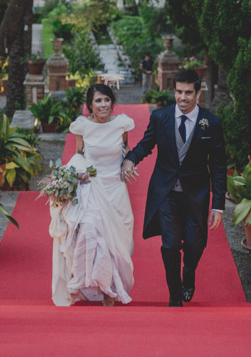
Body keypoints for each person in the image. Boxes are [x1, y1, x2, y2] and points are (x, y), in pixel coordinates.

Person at [121, 69, 226, 306]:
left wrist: (218, 204)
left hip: (196, 196)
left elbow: (219, 166)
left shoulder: (212, 124)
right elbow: (146, 145)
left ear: (198, 93)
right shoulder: (161, 118)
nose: (183, 97)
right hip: (166, 194)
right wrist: (130, 159)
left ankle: (188, 275)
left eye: (189, 92)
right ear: (174, 91)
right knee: (169, 245)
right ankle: (175, 296)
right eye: (179, 92)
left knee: (193, 245)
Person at [50, 84, 136, 306]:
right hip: (92, 188)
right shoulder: (83, 127)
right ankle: (97, 286)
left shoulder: (122, 124)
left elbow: (125, 150)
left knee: (116, 242)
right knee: (90, 233)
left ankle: (112, 287)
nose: (103, 105)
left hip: (116, 189)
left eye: (107, 100)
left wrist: (128, 164)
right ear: (90, 105)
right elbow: (79, 155)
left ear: (112, 102)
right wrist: (79, 173)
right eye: (98, 101)